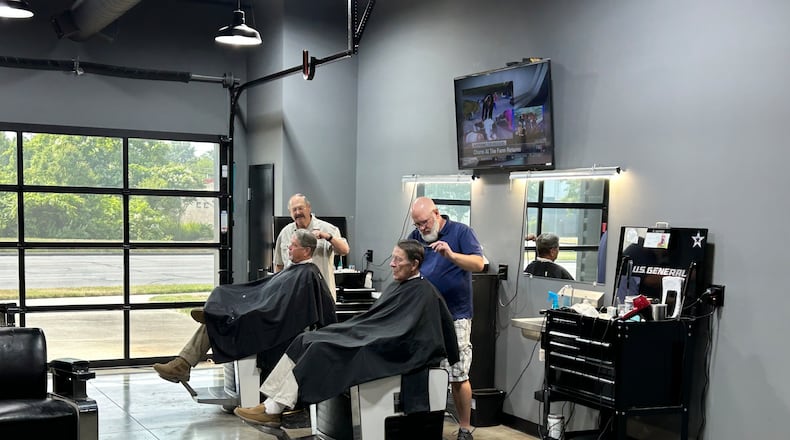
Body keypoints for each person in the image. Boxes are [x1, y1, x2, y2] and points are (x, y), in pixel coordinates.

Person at [233, 239, 459, 426]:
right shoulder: (398, 286)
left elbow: (411, 335)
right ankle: (270, 402)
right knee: (305, 339)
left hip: (387, 349)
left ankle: (274, 408)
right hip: (370, 335)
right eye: (392, 258)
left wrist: (367, 334)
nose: (391, 264)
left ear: (414, 264)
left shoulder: (425, 294)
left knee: (320, 348)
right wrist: (357, 330)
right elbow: (377, 319)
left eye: (397, 260)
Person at [152, 229, 336, 383]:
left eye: (294, 245)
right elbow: (269, 294)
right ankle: (205, 328)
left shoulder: (307, 276)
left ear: (306, 251)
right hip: (264, 314)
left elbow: (284, 310)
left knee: (217, 320)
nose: (289, 247)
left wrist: (257, 307)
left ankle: (186, 358)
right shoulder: (297, 271)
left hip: (267, 322)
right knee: (222, 293)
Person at [408, 197, 484, 440]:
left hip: (455, 315)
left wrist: (451, 255)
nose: (422, 229)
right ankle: (429, 425)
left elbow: (478, 263)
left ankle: (464, 427)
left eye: (425, 223)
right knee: (427, 372)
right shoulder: (416, 237)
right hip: (424, 315)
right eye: (418, 225)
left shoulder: (461, 232)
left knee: (458, 373)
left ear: (437, 213)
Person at [274, 193, 349, 298]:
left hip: (321, 297)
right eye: (294, 210)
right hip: (293, 297)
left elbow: (344, 250)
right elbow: (279, 265)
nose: (298, 212)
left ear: (309, 208)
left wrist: (327, 237)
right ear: (290, 213)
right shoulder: (285, 233)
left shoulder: (328, 229)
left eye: (300, 208)